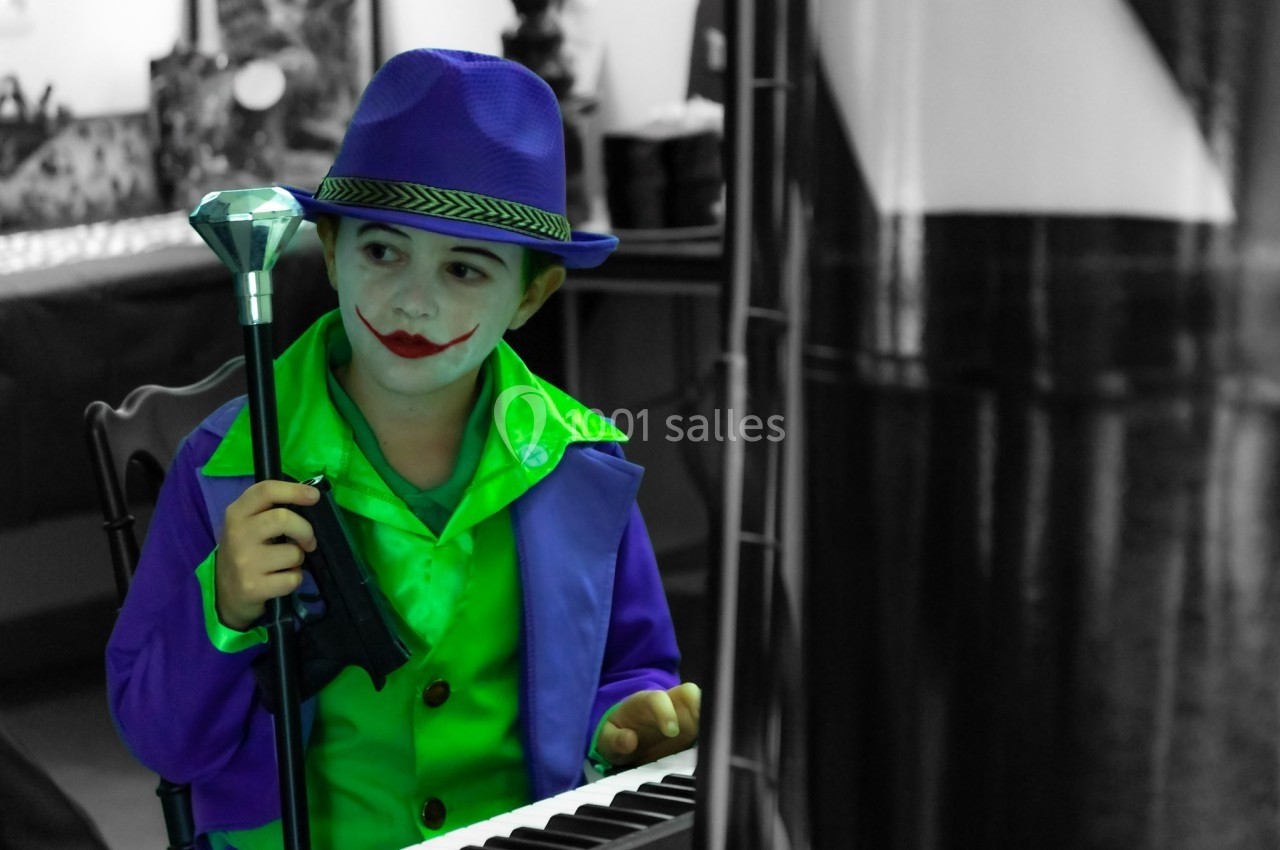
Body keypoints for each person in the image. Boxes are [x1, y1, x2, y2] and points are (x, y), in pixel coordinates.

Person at [106, 47, 699, 850]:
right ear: (331, 244)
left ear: (531, 294)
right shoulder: (227, 469)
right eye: (383, 251)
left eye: (464, 268)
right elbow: (161, 739)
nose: (415, 300)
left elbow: (626, 669)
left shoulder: (577, 466)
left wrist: (625, 727)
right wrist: (224, 605)